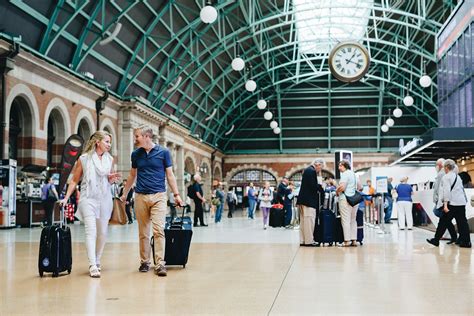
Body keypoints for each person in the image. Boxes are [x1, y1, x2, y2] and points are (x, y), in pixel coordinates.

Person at [120, 125, 183, 277]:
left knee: (158, 230)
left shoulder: (164, 152)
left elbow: (170, 175)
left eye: (137, 136)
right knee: (143, 232)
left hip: (159, 196)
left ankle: (160, 263)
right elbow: (132, 175)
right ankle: (144, 262)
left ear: (147, 136)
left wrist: (176, 194)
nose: (135, 139)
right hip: (140, 196)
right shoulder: (136, 154)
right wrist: (124, 194)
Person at [60, 131, 121, 278]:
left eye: (110, 142)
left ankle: (98, 259)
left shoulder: (110, 159)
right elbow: (74, 180)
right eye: (106, 141)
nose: (109, 144)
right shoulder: (84, 159)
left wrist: (111, 179)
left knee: (102, 233)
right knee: (91, 231)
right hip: (88, 198)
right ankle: (92, 264)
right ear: (97, 142)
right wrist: (66, 197)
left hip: (105, 199)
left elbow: (107, 178)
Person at [427, 159, 471, 248]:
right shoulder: (457, 177)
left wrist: (445, 205)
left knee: (443, 221)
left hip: (452, 203)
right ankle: (466, 242)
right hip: (461, 203)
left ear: (446, 167)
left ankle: (436, 240)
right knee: (462, 222)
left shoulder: (446, 177)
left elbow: (446, 192)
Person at [296, 158, 325, 247]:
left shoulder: (307, 170)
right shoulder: (312, 171)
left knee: (303, 222)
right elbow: (313, 186)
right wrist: (320, 187)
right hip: (309, 201)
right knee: (309, 221)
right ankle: (309, 241)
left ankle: (303, 240)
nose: (320, 169)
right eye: (321, 167)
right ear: (318, 164)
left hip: (302, 200)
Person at [336, 159, 360, 247]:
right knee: (353, 220)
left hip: (345, 199)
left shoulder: (345, 174)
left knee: (345, 220)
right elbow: (360, 187)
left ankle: (347, 241)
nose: (339, 168)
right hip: (355, 200)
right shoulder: (354, 174)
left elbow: (342, 187)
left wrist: (337, 190)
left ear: (344, 166)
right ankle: (354, 240)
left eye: (340, 166)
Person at [432, 158, 457, 243]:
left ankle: (437, 239)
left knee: (442, 218)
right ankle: (453, 237)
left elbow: (440, 188)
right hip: (450, 200)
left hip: (444, 201)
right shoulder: (454, 174)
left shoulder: (442, 174)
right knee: (446, 219)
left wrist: (439, 200)